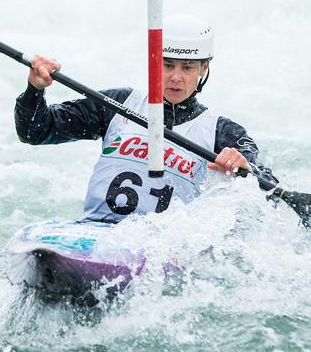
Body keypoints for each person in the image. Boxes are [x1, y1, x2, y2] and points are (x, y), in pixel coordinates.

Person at [14, 14, 276, 223]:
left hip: (157, 250)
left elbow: (268, 188)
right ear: (154, 61)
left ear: (203, 68)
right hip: (95, 231)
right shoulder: (117, 104)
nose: (176, 77)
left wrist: (244, 168)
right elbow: (35, 131)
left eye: (187, 68)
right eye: (167, 64)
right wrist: (35, 90)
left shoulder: (223, 132)